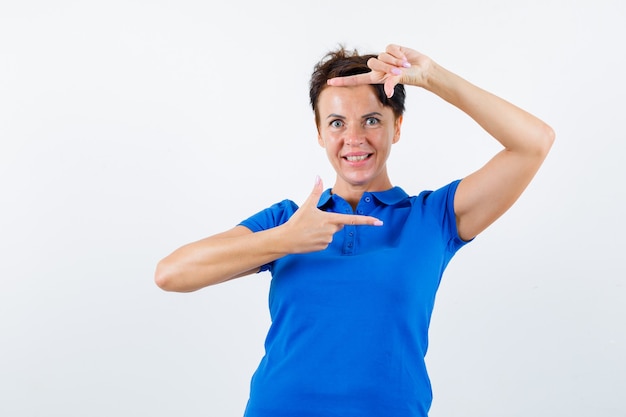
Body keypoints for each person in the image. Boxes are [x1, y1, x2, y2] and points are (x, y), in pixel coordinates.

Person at [154, 43, 555, 417]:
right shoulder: (288, 221)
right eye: (336, 123)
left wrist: (433, 76)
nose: (354, 139)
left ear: (397, 126)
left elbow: (534, 143)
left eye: (372, 120)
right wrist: (284, 240)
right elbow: (172, 274)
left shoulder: (433, 218)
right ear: (319, 132)